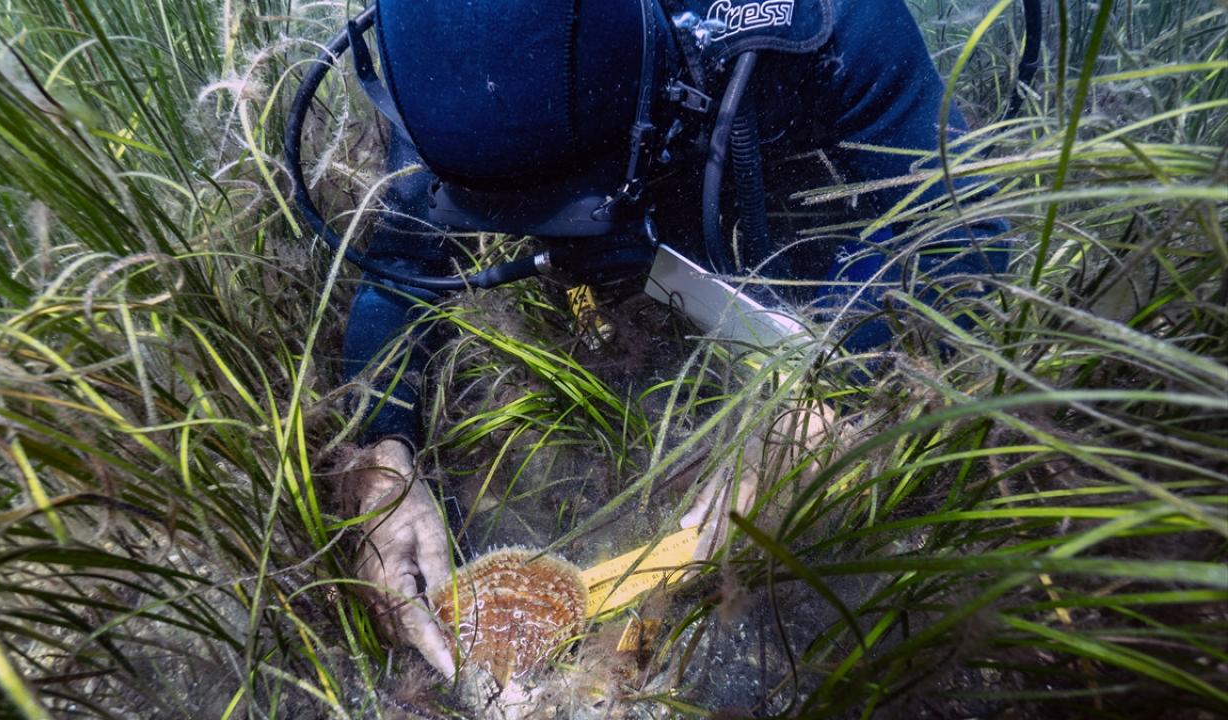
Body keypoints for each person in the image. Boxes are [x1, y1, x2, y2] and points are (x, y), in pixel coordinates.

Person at [297, 0, 1010, 680]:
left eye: (576, 196)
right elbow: (402, 266)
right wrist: (384, 452)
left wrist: (835, 392)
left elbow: (964, 236)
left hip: (796, 223)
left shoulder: (825, 19)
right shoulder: (445, 58)